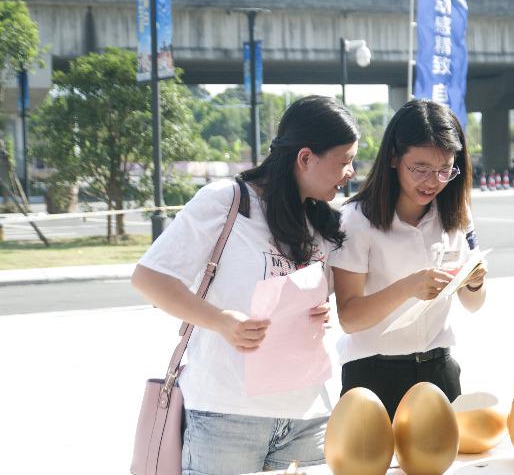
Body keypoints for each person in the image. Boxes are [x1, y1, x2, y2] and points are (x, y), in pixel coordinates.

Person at [131, 96, 358, 475]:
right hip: (226, 415)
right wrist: (222, 321)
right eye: (344, 160)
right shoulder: (227, 201)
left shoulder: (321, 220)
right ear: (305, 158)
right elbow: (149, 278)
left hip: (307, 414)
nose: (350, 171)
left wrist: (315, 312)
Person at [329, 99, 487, 419]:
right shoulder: (355, 221)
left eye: (445, 170)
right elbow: (350, 316)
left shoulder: (456, 214)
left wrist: (474, 282)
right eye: (420, 169)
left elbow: (475, 304)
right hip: (373, 376)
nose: (433, 182)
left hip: (440, 370)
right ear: (393, 159)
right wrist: (409, 287)